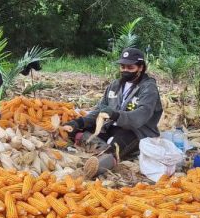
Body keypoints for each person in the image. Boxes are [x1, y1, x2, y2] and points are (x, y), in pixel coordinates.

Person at [62, 47, 163, 179]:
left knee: (112, 150)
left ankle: (95, 162)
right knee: (72, 130)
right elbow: (100, 110)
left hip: (135, 131)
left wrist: (116, 115)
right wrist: (79, 122)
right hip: (111, 126)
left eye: (130, 67)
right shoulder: (115, 85)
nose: (125, 70)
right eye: (122, 67)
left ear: (140, 67)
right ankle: (99, 146)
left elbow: (141, 115)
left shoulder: (148, 88)